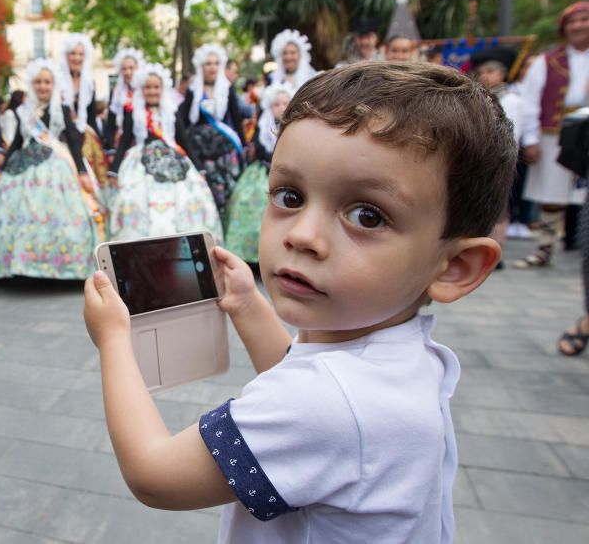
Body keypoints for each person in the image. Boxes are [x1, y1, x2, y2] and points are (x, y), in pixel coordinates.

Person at [84, 62, 515, 543]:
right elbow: (305, 370)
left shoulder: (324, 406)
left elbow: (154, 473)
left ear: (456, 267)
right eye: (290, 196)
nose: (303, 235)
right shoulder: (398, 355)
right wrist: (249, 307)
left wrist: (114, 339)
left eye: (367, 216)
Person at [0, 59, 102, 280]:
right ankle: (24, 264)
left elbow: (72, 140)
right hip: (25, 166)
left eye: (47, 82)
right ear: (32, 85)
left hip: (57, 166)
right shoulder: (25, 111)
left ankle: (60, 264)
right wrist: (3, 167)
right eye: (38, 82)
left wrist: (81, 171)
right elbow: (16, 141)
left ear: (54, 85)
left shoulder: (61, 108)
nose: (42, 86)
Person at [107, 62, 221, 241]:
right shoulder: (133, 113)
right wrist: (113, 169)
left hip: (172, 159)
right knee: (133, 200)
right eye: (148, 87)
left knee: (185, 200)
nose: (152, 91)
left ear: (162, 89)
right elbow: (123, 143)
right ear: (141, 89)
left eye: (156, 87)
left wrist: (199, 168)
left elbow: (184, 141)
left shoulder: (172, 112)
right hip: (140, 161)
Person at [515, 1, 589, 269]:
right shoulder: (548, 62)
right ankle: (545, 247)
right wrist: (531, 139)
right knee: (553, 193)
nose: (579, 25)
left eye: (584, 19)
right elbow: (530, 100)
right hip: (556, 134)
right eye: (573, 21)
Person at [470, 46, 533, 262]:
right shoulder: (475, 97)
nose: (485, 76)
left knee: (498, 205)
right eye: (482, 72)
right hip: (478, 154)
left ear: (502, 74)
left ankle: (494, 250)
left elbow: (513, 132)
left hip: (500, 155)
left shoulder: (512, 100)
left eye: (491, 71)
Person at [224, 83, 291, 264]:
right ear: (270, 107)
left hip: (288, 173)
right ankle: (250, 253)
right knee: (249, 203)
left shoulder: (295, 127)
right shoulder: (263, 125)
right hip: (263, 170)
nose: (282, 108)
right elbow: (259, 148)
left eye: (285, 103)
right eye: (277, 104)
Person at [176, 43, 245, 219]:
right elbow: (183, 119)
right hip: (199, 149)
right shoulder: (194, 89)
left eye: (215, 63)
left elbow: (236, 118)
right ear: (201, 66)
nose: (212, 67)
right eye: (208, 63)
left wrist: (244, 144)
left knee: (226, 191)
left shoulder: (227, 88)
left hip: (223, 149)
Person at [58, 33, 107, 188]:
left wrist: (99, 142)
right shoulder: (56, 80)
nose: (77, 58)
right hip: (61, 137)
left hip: (83, 137)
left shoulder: (88, 83)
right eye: (73, 53)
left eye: (81, 54)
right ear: (66, 56)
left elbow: (91, 116)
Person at [104, 47, 144, 158]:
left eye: (131, 68)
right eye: (124, 69)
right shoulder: (117, 94)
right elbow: (110, 124)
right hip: (122, 144)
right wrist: (111, 148)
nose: (128, 72)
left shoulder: (146, 91)